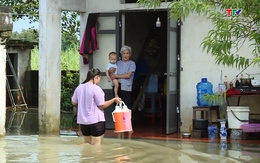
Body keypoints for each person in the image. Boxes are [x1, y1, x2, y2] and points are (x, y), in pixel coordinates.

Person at [71, 68, 121, 145]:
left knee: (86, 143)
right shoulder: (96, 89)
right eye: (99, 78)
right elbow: (101, 105)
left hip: (83, 122)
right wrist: (114, 99)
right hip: (96, 122)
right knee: (96, 146)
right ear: (97, 77)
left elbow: (74, 102)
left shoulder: (79, 88)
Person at [109, 45, 136, 139]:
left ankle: (129, 129)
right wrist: (112, 74)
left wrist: (117, 76)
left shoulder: (132, 64)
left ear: (130, 54)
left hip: (126, 88)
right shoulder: (117, 63)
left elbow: (128, 75)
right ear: (121, 54)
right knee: (118, 108)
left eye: (127, 53)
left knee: (127, 108)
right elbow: (112, 74)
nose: (126, 55)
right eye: (124, 53)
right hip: (117, 87)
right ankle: (119, 129)